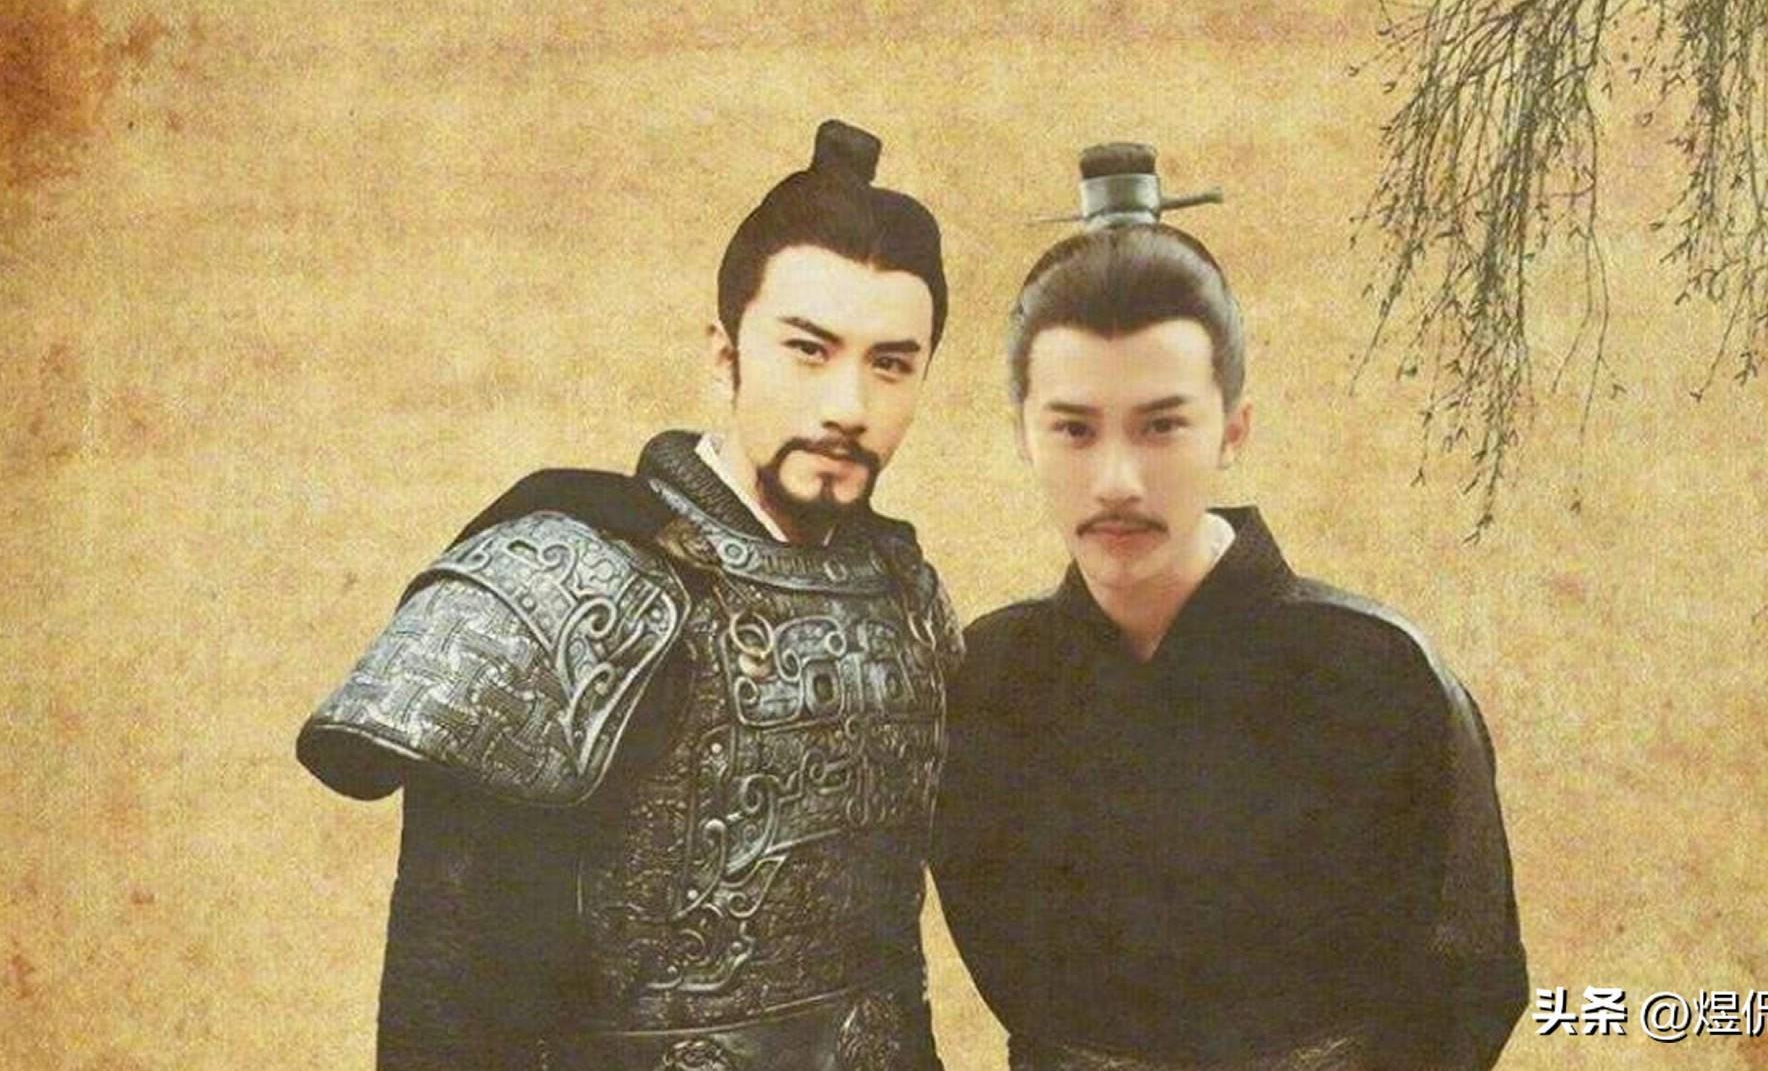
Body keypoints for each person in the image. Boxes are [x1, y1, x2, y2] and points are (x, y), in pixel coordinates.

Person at [298, 120, 962, 1071]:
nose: (848, 406)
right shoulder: (572, 583)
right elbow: (444, 1006)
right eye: (809, 350)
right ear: (725, 356)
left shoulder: (907, 598)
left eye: (890, 362)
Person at [931, 143, 1527, 1071]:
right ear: (1023, 436)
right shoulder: (988, 682)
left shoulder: (1379, 672)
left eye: (1162, 425)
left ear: (1233, 428)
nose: (1117, 479)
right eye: (1074, 429)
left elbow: (1471, 984)